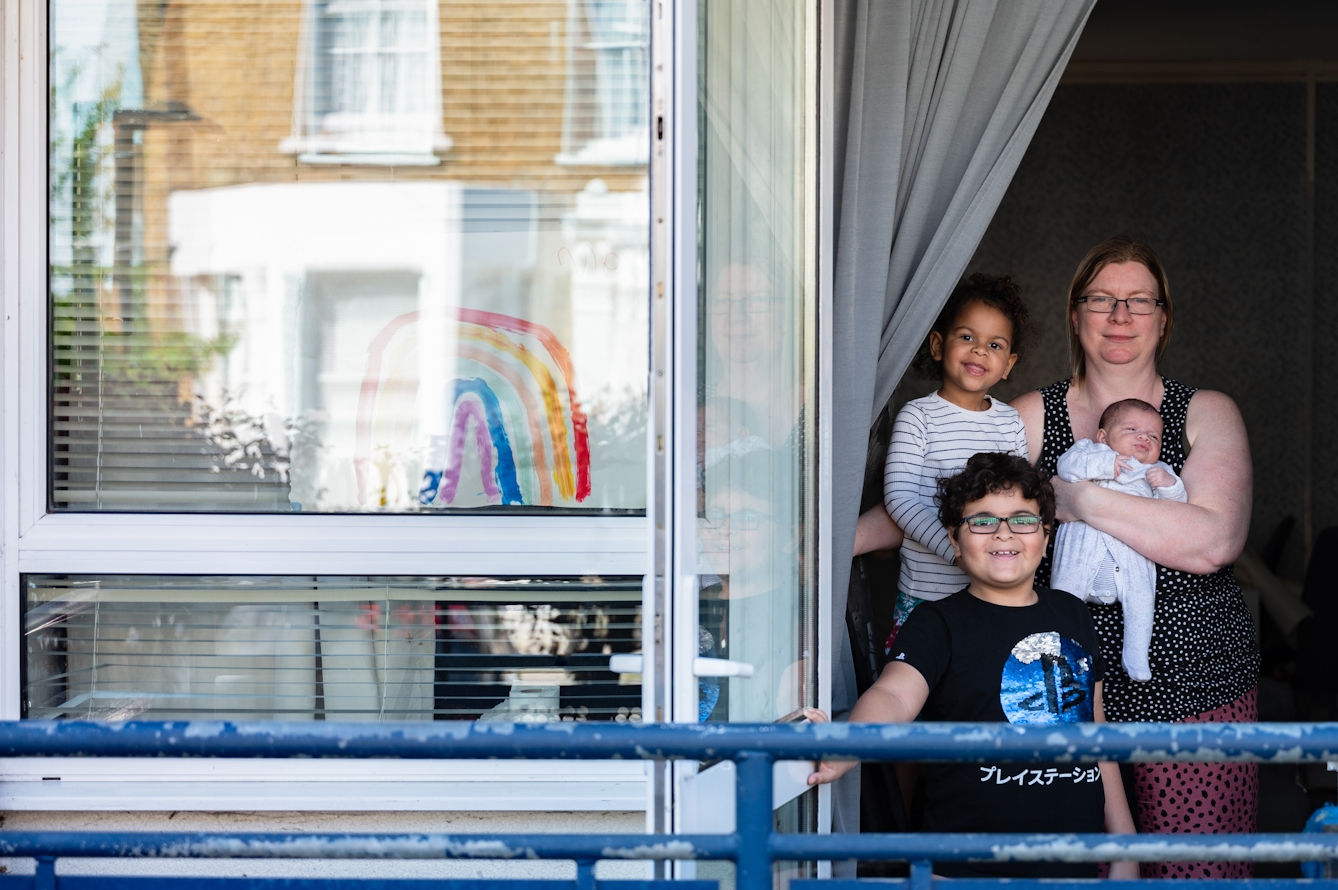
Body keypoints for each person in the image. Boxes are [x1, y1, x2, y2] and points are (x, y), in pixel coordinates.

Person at [1010, 235, 1259, 879]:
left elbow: (1213, 541)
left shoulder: (1204, 412)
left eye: (1139, 302)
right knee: (1071, 875)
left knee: (1197, 875)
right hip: (1055, 694)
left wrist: (1075, 499)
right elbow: (958, 512)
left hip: (1196, 689)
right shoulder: (1030, 416)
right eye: (1101, 299)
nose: (1120, 317)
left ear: (1164, 319)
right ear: (1074, 314)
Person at [807, 453, 1137, 879]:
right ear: (954, 538)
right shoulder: (936, 622)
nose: (1004, 534)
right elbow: (893, 694)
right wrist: (845, 745)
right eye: (982, 521)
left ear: (1046, 534)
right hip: (963, 866)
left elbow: (1096, 732)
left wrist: (1125, 847)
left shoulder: (1072, 613)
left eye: (1022, 519)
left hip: (1071, 863)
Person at [880, 274, 1029, 654]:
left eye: (994, 345)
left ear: (1008, 364)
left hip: (993, 595)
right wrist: (959, 553)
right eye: (967, 337)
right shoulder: (918, 416)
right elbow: (900, 499)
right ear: (936, 345)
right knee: (919, 690)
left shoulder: (1009, 422)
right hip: (925, 595)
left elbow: (1021, 502)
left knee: (977, 687)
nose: (979, 350)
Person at [1051, 398, 1187, 682]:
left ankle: (1136, 657)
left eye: (1153, 436)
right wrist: (1104, 462)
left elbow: (1178, 508)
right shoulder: (1089, 451)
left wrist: (1170, 485)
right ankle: (1061, 656)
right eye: (1132, 430)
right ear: (1103, 436)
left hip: (1131, 556)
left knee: (1141, 602)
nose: (1144, 438)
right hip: (1081, 550)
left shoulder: (1158, 470)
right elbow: (1066, 468)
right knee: (1063, 601)